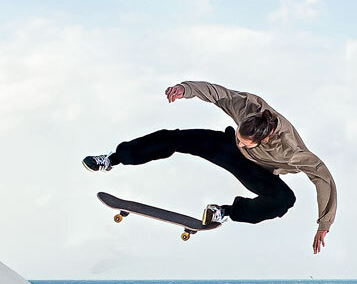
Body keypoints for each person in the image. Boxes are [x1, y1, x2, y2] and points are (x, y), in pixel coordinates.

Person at [85, 81, 336, 254]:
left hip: (259, 170)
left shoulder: (291, 150)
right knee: (177, 138)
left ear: (264, 140)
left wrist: (324, 223)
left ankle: (224, 212)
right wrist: (185, 89)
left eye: (245, 142)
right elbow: (216, 92)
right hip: (225, 150)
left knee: (284, 199)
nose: (241, 142)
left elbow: (323, 177)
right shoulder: (247, 107)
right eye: (239, 135)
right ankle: (112, 159)